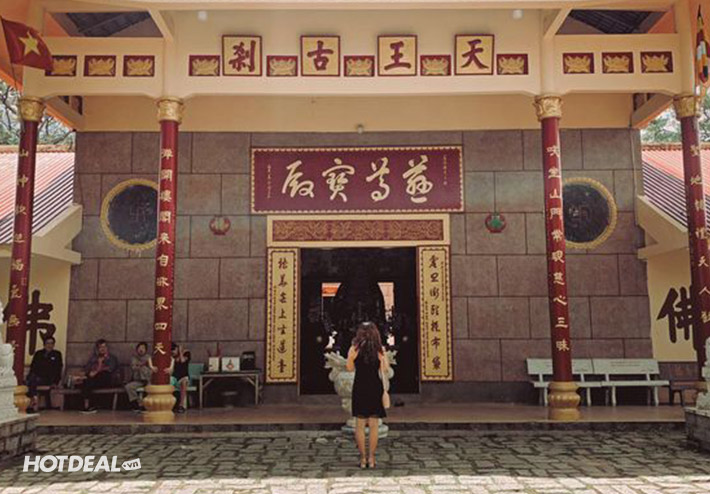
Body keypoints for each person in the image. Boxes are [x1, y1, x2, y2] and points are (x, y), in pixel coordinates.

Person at [346, 321, 389, 469]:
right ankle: (372, 458)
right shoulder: (379, 350)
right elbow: (385, 368)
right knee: (373, 426)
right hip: (375, 388)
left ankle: (363, 459)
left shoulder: (354, 349)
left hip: (360, 387)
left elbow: (349, 368)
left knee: (359, 425)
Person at [79, 339, 119, 414]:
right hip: (93, 379)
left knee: (93, 379)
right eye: (100, 347)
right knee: (87, 382)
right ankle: (87, 406)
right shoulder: (93, 358)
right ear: (97, 349)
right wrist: (90, 372)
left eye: (104, 347)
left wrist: (98, 368)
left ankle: (88, 405)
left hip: (106, 379)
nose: (103, 349)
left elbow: (110, 369)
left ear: (107, 348)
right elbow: (87, 368)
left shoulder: (112, 358)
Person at [26, 336, 63, 414]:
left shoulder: (57, 354)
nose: (49, 345)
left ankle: (33, 402)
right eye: (47, 343)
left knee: (32, 381)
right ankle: (34, 399)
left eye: (51, 343)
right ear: (44, 344)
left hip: (49, 378)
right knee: (32, 380)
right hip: (36, 377)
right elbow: (33, 367)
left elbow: (58, 369)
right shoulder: (38, 354)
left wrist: (55, 382)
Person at [125, 342, 151, 412]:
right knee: (129, 387)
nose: (141, 350)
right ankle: (136, 404)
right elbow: (134, 367)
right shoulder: (134, 358)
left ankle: (147, 405)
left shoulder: (149, 358)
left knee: (143, 369)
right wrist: (141, 364)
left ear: (146, 350)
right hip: (138, 380)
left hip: (148, 380)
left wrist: (140, 365)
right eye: (140, 348)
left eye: (143, 348)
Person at [171, 343, 191, 413]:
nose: (172, 352)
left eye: (174, 350)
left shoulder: (187, 353)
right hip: (174, 377)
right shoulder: (172, 357)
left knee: (184, 382)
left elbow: (182, 361)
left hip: (184, 377)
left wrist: (180, 352)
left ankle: (181, 405)